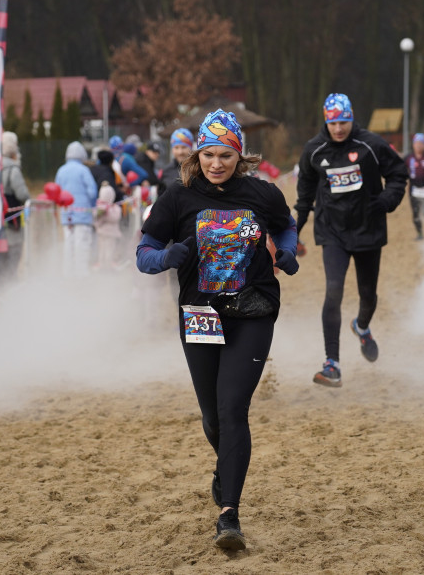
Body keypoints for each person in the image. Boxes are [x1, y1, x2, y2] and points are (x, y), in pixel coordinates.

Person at [136, 110, 298, 551]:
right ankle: (224, 468)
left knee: (232, 410)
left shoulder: (262, 193)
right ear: (197, 154)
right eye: (208, 154)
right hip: (200, 313)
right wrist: (167, 257)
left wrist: (286, 253)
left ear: (239, 155)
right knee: (212, 417)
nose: (216, 163)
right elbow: (144, 253)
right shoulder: (177, 197)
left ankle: (229, 515)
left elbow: (286, 227)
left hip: (253, 311)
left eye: (225, 155)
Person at [295, 93, 407, 388]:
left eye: (344, 122)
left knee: (368, 295)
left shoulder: (372, 144)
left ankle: (362, 326)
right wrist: (296, 228)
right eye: (333, 123)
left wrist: (385, 201)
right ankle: (332, 364)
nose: (339, 129)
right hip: (332, 231)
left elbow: (398, 173)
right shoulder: (313, 150)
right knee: (333, 290)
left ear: (352, 117)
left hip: (368, 228)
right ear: (326, 121)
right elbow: (305, 192)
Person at [54, 141, 98, 277]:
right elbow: (92, 192)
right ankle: (81, 274)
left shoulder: (61, 170)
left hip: (66, 214)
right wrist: (91, 206)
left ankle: (67, 273)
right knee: (82, 244)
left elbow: (56, 190)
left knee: (68, 244)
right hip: (83, 215)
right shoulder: (83, 170)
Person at [0, 131, 31, 284]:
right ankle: (9, 288)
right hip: (12, 222)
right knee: (13, 254)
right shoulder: (13, 170)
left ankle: (2, 285)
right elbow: (22, 194)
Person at [94, 183, 122, 270]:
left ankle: (109, 266)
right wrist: (100, 214)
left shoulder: (114, 207)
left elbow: (115, 218)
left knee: (110, 250)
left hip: (111, 233)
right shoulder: (99, 207)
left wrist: (106, 213)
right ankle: (102, 265)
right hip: (102, 233)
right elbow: (96, 220)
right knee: (101, 250)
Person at [159, 128, 194, 195]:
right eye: (176, 147)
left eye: (184, 147)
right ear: (172, 149)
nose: (180, 152)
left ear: (191, 148)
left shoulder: (198, 169)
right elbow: (161, 196)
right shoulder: (166, 171)